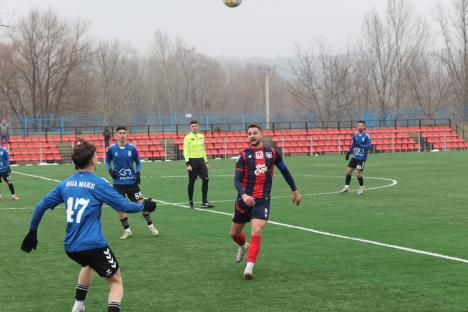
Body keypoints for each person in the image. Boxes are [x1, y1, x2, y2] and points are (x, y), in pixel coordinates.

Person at [20, 141, 156, 312]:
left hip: (71, 247)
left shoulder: (65, 184)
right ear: (92, 160)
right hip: (93, 245)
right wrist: (144, 206)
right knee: (116, 281)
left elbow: (40, 206)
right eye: (95, 155)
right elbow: (125, 206)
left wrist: (32, 232)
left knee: (87, 264)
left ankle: (78, 306)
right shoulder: (98, 183)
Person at [230, 124, 301, 280]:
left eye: (255, 133)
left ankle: (249, 268)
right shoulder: (243, 155)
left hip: (262, 200)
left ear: (261, 135)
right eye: (249, 134)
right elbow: (236, 180)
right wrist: (243, 195)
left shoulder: (272, 153)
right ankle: (243, 246)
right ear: (247, 137)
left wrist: (295, 191)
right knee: (234, 234)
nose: (252, 136)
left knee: (256, 230)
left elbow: (285, 171)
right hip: (244, 200)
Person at [105, 126, 159, 239]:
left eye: (124, 132)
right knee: (120, 207)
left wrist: (138, 173)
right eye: (120, 133)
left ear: (127, 134)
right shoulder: (112, 149)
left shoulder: (132, 148)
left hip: (132, 183)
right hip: (118, 184)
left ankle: (151, 226)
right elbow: (107, 161)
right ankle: (127, 230)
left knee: (142, 204)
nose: (122, 135)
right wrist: (110, 170)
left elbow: (138, 162)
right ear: (116, 135)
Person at [183, 120, 214, 209]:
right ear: (190, 127)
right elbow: (185, 151)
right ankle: (190, 202)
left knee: (206, 179)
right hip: (192, 162)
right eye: (192, 126)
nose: (194, 127)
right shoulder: (187, 137)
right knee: (192, 182)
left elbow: (203, 150)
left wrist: (206, 162)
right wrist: (188, 164)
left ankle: (204, 202)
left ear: (198, 126)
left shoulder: (201, 136)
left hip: (201, 161)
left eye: (196, 126)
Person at [340, 120, 372, 195]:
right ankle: (347, 187)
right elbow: (353, 144)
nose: (360, 126)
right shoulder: (355, 135)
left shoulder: (367, 136)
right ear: (357, 126)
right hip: (354, 157)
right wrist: (348, 152)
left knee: (357, 174)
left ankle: (361, 187)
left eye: (361, 125)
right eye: (359, 125)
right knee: (348, 171)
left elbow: (368, 147)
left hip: (362, 158)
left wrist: (360, 145)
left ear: (364, 126)